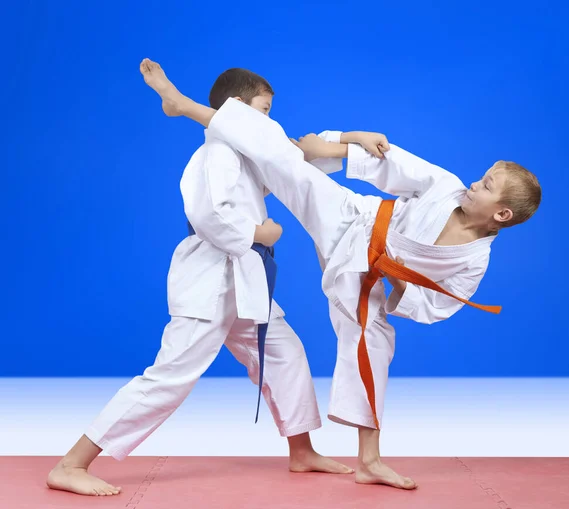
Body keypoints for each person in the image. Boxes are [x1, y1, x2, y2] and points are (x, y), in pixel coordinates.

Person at [139, 58, 541, 490]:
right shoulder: (446, 186)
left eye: (486, 184)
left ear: (501, 213)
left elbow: (434, 308)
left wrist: (397, 276)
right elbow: (390, 164)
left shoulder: (472, 261)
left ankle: (369, 459)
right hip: (355, 220)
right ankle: (183, 105)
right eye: (482, 177)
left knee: (373, 342)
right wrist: (340, 143)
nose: (474, 184)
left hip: (370, 272)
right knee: (287, 164)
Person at [46, 64, 353, 498]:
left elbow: (295, 162)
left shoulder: (247, 154)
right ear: (235, 110)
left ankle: (301, 450)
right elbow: (209, 215)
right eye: (263, 110)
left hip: (243, 285)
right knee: (170, 377)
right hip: (209, 283)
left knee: (285, 354)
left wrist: (351, 144)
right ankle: (71, 464)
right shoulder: (215, 155)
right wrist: (258, 233)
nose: (268, 121)